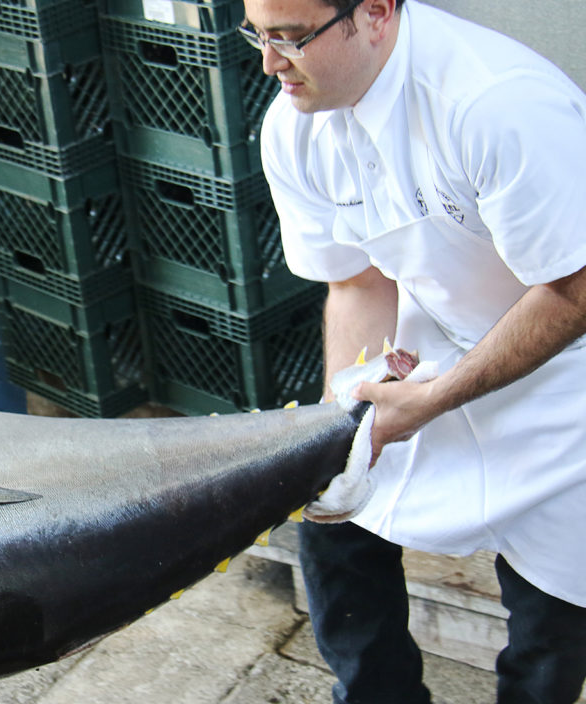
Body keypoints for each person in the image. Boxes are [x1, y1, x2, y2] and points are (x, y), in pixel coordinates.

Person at [244, 0, 586, 701]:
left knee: (553, 619)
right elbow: (356, 281)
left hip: (566, 381)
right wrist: (345, 414)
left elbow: (573, 290)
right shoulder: (294, 124)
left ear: (374, 12)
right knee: (337, 527)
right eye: (257, 33)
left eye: (291, 39)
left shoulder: (497, 104)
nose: (270, 63)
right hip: (430, 346)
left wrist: (434, 400)